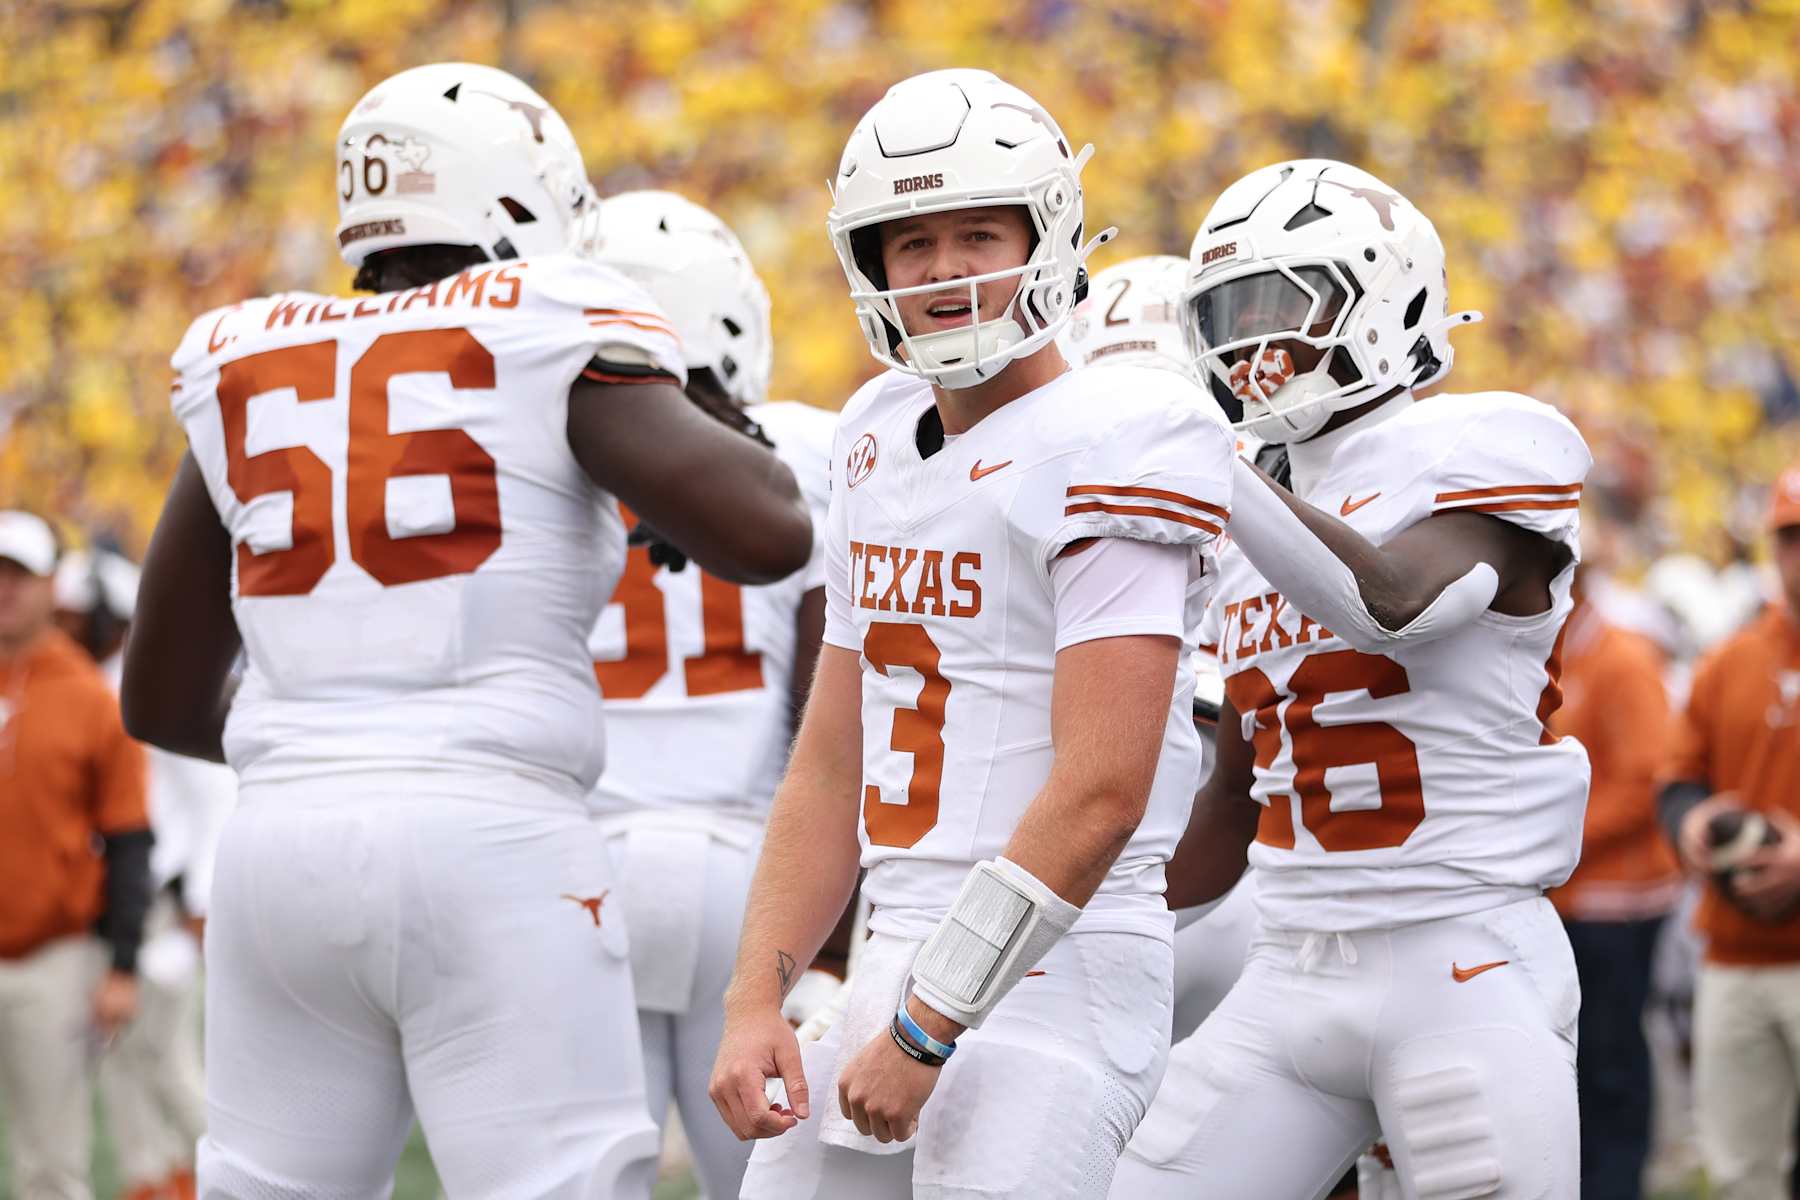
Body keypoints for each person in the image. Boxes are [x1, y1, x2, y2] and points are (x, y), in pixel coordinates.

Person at [120, 62, 813, 1199]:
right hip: (497, 837)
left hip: (278, 846)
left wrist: (331, 729)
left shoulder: (244, 354)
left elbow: (157, 698)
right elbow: (774, 532)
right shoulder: (546, 322)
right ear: (524, 202)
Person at [708, 69, 1235, 1199]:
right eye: (913, 244)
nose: (946, 271)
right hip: (892, 950)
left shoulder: (1115, 431)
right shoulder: (874, 435)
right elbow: (830, 761)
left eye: (978, 233)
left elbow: (1102, 788)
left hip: (1057, 970)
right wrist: (757, 995)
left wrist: (924, 1030)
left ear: (1047, 237)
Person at [1113, 159, 1592, 1199]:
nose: (1250, 340)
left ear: (1385, 292)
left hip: (1458, 962)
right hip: (1289, 968)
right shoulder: (1251, 510)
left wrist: (1212, 461)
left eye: (1282, 301)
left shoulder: (1479, 441)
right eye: (1228, 312)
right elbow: (1238, 789)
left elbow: (1390, 603)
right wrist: (1114, 934)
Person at [585, 188, 835, 1199]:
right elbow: (835, 705)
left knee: (590, 1173)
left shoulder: (535, 459)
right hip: (754, 868)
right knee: (770, 1179)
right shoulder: (811, 452)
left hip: (580, 870)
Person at [0, 511, 152, 1200]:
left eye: (18, 576)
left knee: (50, 1162)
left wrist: (122, 965)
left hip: (51, 954)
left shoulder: (91, 698)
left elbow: (128, 839)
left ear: (49, 586)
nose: (4, 590)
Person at [1660, 462, 1800, 1200]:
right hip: (1736, 957)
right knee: (1744, 1173)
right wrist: (1693, 823)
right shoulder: (1728, 662)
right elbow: (1678, 779)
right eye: (1791, 538)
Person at [1546, 579, 1680, 1200]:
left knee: (1611, 1062)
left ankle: (1617, 1185)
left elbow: (1646, 783)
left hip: (1617, 906)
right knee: (1574, 1066)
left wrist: (1550, 846)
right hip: (1568, 897)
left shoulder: (1621, 658)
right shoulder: (1553, 648)